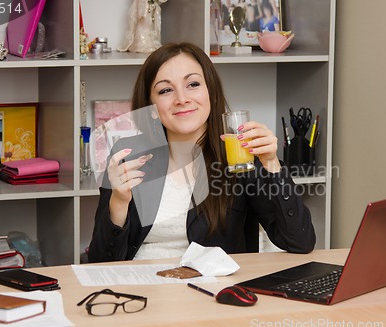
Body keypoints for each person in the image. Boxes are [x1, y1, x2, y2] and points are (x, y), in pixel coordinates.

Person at [88, 42, 315, 263]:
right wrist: (118, 201)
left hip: (213, 293)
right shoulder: (129, 155)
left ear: (212, 94)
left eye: (193, 84)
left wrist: (272, 165)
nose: (182, 99)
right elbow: (100, 261)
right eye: (166, 90)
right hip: (141, 291)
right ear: (152, 108)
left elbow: (299, 241)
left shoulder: (240, 154)